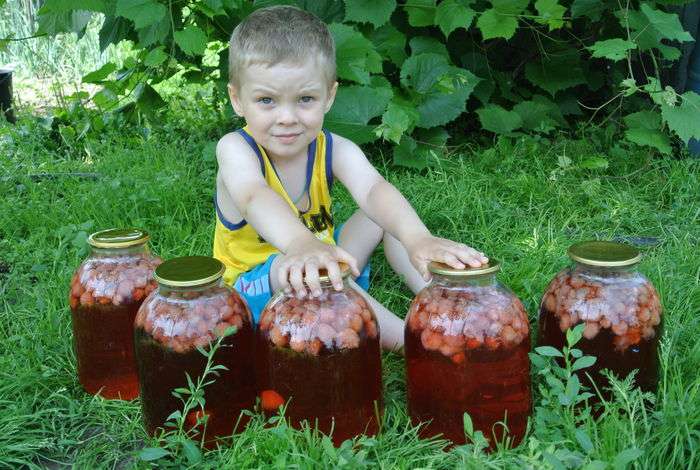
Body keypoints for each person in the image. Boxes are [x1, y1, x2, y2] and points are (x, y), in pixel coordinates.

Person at [212, 5, 488, 350]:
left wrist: (418, 238)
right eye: (266, 100)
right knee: (320, 269)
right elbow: (253, 196)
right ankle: (413, 342)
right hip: (253, 287)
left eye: (305, 99)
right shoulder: (236, 148)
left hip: (321, 258)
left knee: (379, 219)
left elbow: (373, 189)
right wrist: (301, 245)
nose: (287, 117)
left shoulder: (333, 148)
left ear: (329, 96)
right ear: (237, 99)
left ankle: (444, 303)